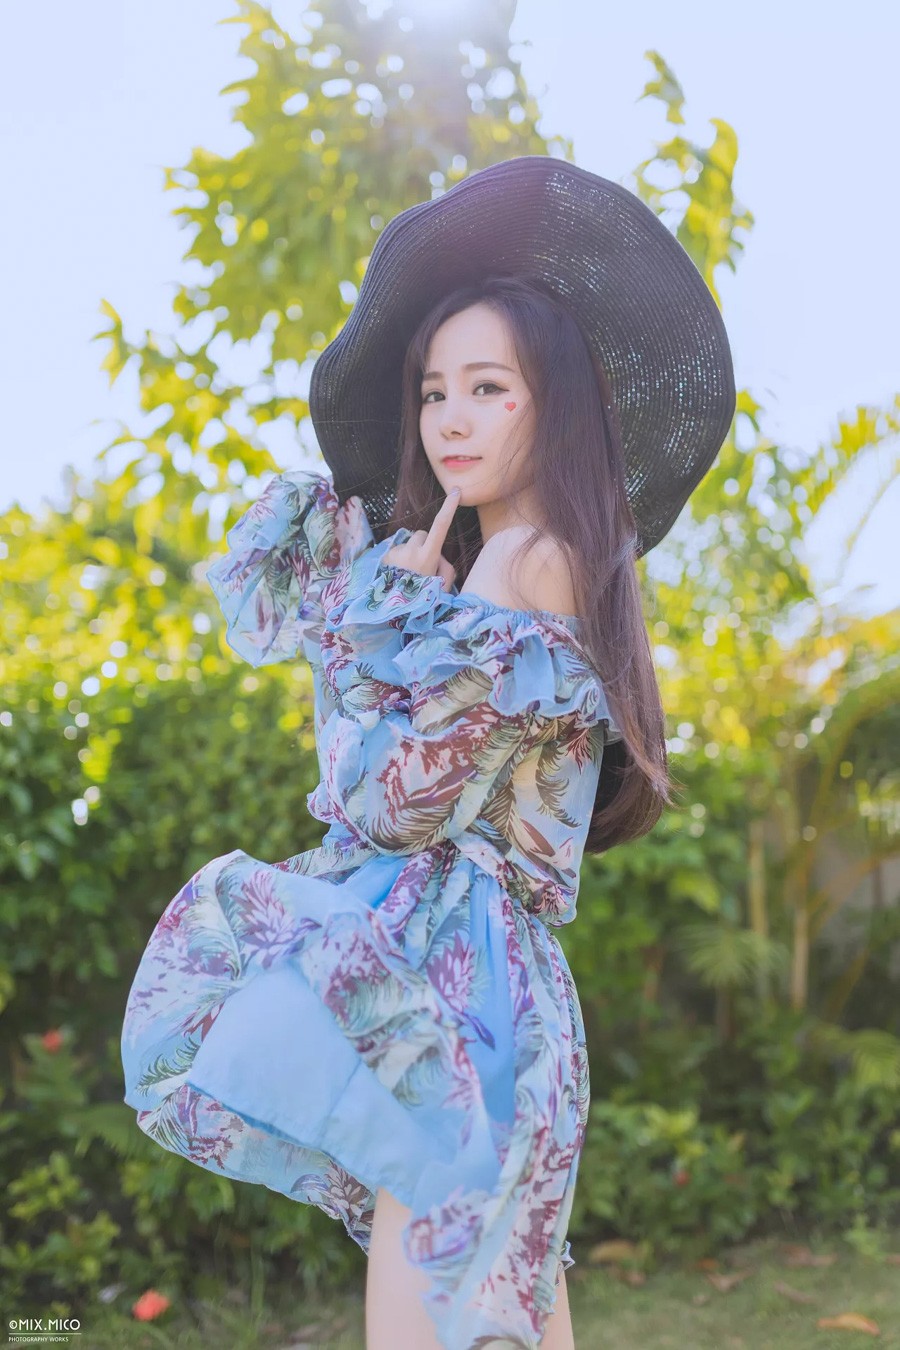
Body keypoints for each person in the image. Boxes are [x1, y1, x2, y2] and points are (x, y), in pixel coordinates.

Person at [121, 156, 735, 1350]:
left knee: (443, 1316)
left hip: (462, 992)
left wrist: (368, 634)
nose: (450, 417)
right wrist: (395, 612)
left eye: (489, 388)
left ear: (556, 405)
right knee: (501, 1312)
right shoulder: (534, 564)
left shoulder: (522, 562)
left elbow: (395, 807)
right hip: (478, 984)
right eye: (434, 390)